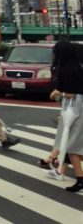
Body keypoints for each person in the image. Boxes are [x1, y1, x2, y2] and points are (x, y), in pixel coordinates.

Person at [51, 41, 83, 192]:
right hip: (78, 107)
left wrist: (58, 93)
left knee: (71, 146)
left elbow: (71, 93)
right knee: (73, 144)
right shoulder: (78, 67)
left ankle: (80, 179)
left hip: (74, 109)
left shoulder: (65, 69)